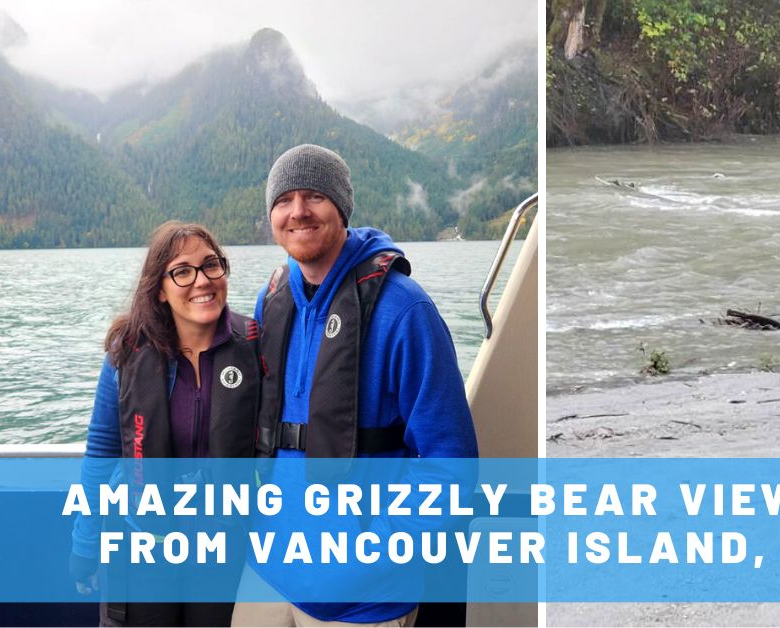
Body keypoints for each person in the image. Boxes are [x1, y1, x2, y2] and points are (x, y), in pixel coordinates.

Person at [231, 144, 478, 627]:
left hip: (362, 601)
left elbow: (452, 468)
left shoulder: (405, 311)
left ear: (342, 207)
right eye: (284, 200)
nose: (298, 211)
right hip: (266, 575)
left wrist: (374, 552)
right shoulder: (272, 300)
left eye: (315, 196)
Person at [70, 221, 261, 627]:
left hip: (223, 554)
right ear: (160, 287)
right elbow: (101, 453)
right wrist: (85, 544)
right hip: (143, 551)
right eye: (182, 271)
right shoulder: (126, 354)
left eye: (212, 265)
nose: (201, 281)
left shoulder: (255, 347)